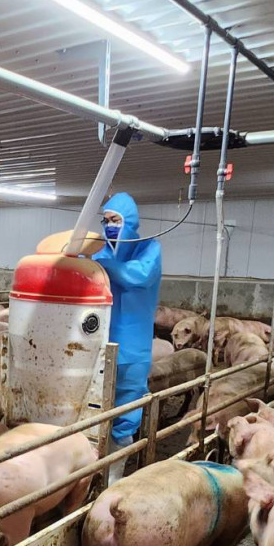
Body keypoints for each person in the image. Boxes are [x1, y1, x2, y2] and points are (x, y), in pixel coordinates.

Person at [90, 192, 161, 483]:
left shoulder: (148, 248)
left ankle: (114, 479)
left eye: (115, 220)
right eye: (106, 220)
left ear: (129, 222)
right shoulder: (100, 253)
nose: (109, 226)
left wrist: (103, 266)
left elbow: (139, 276)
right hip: (98, 344)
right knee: (95, 408)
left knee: (125, 414)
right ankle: (92, 473)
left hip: (133, 347)